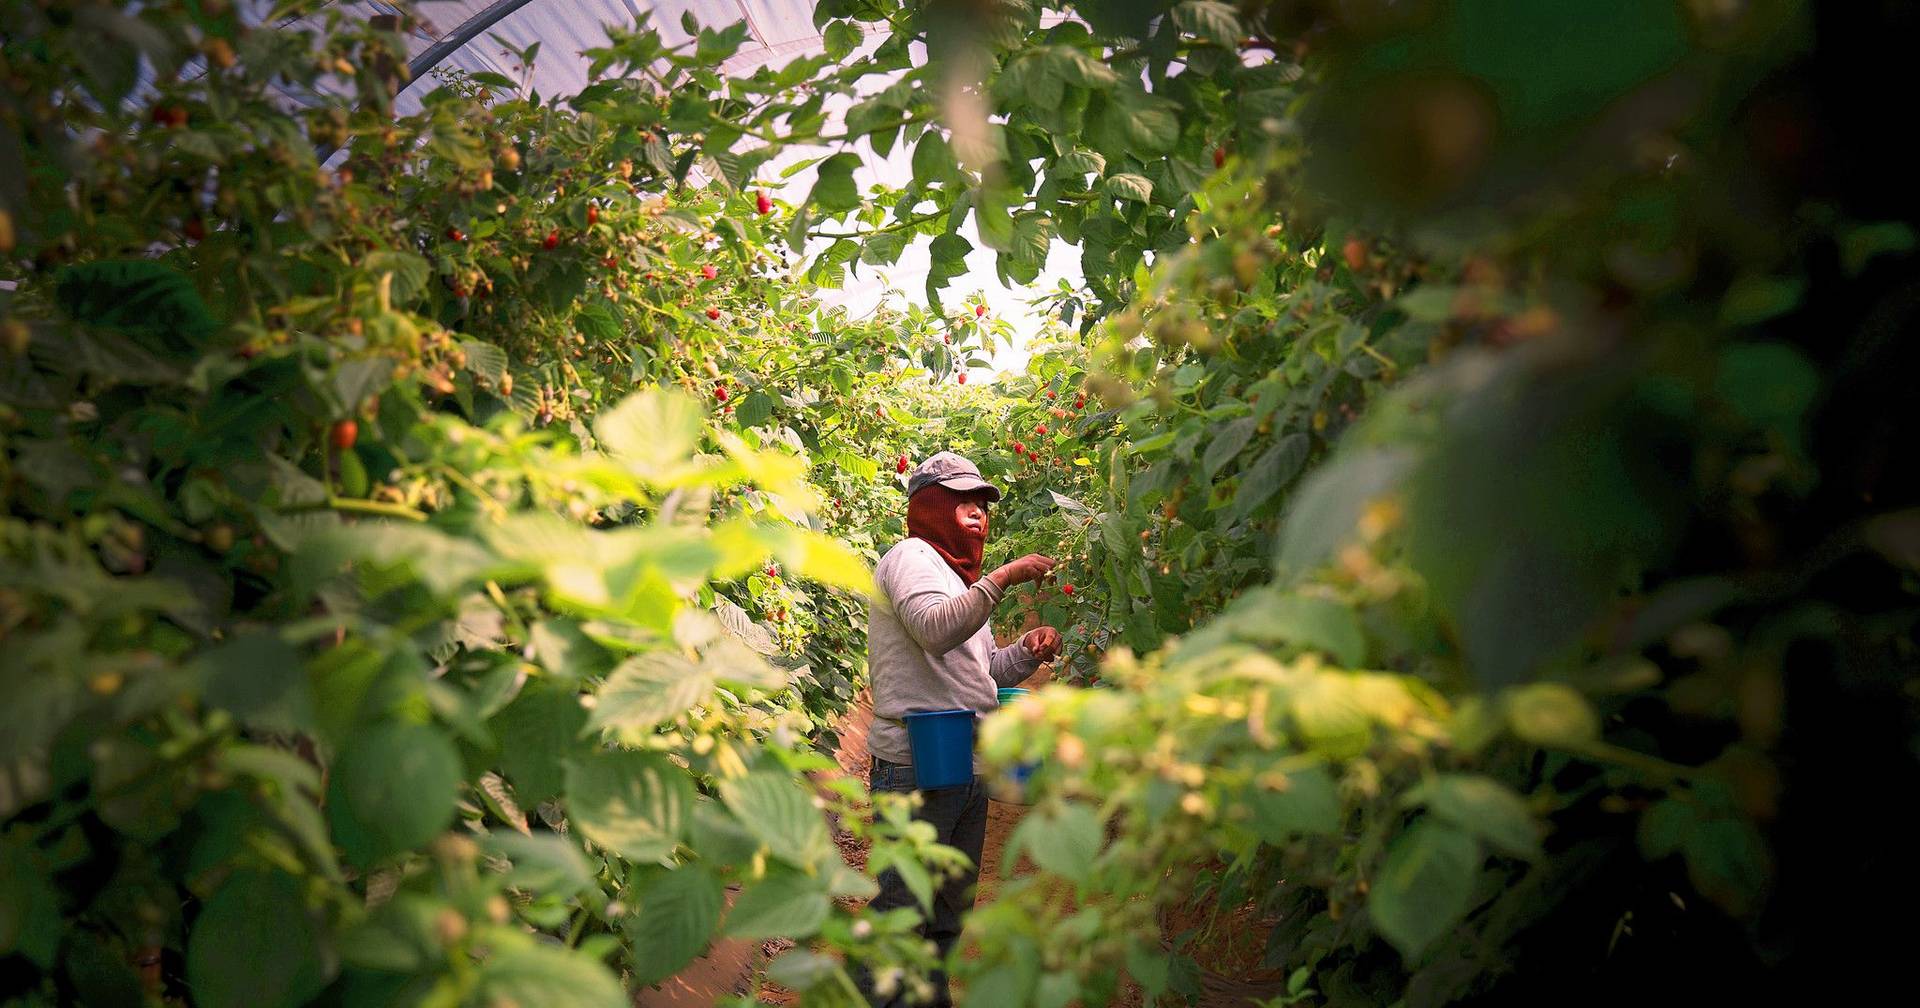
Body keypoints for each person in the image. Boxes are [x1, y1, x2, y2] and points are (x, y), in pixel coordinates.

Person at [854, 451, 1061, 1007]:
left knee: (947, 911)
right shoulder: (910, 557)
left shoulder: (956, 577)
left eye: (982, 504)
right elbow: (932, 629)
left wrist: (1026, 654)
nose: (977, 513)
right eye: (962, 500)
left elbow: (979, 672)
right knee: (904, 910)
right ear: (931, 506)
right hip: (915, 765)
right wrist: (1004, 576)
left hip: (966, 762)